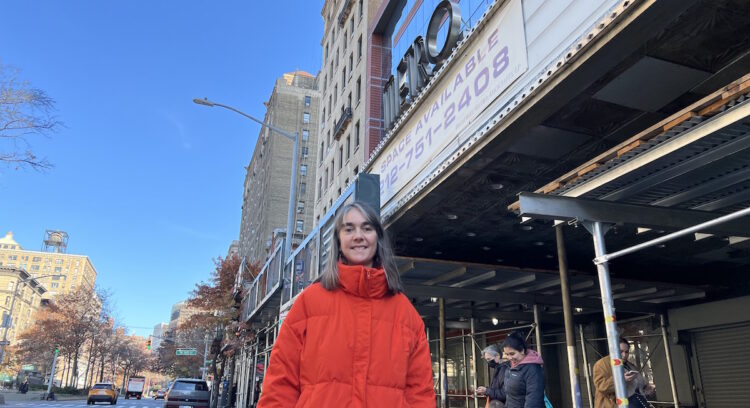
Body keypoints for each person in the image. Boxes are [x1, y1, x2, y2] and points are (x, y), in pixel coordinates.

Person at [257, 201, 435, 407]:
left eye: (367, 228)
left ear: (377, 238)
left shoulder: (406, 315)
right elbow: (280, 384)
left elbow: (420, 393)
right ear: (338, 241)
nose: (358, 235)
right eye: (349, 229)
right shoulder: (309, 303)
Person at [593, 337, 655, 408]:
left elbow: (637, 386)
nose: (624, 355)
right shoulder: (602, 364)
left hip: (639, 401)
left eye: (626, 352)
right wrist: (621, 380)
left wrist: (646, 388)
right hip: (617, 404)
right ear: (613, 351)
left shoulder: (630, 365)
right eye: (621, 351)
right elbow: (601, 386)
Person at [502, 332, 545, 408]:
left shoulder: (533, 369)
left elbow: (534, 400)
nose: (509, 358)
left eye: (512, 354)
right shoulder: (510, 367)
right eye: (506, 354)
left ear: (522, 350)